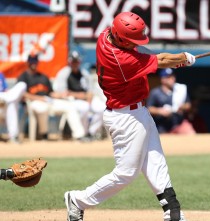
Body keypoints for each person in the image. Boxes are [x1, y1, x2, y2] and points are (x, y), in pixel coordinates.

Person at [64, 12, 196, 221]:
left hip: (137, 111)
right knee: (126, 173)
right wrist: (182, 59)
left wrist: (176, 60)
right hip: (125, 117)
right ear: (122, 39)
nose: (136, 43)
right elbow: (160, 60)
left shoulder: (106, 35)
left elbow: (148, 53)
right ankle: (77, 200)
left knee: (155, 159)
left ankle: (173, 211)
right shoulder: (121, 60)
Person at [17, 54, 87, 141]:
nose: (33, 64)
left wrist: (60, 95)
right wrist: (39, 98)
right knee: (42, 108)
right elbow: (22, 94)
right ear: (27, 63)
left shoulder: (43, 76)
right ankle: (43, 134)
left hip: (48, 100)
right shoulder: (23, 77)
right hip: (33, 102)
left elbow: (50, 92)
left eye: (35, 62)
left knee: (70, 106)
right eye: (31, 62)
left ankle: (79, 135)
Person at [53, 51, 106, 140]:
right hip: (72, 100)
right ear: (69, 62)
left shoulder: (84, 73)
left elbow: (90, 91)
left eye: (76, 61)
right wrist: (79, 95)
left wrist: (86, 97)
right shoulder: (64, 73)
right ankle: (83, 133)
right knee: (84, 108)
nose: (75, 63)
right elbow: (64, 93)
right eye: (73, 61)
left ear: (79, 62)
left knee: (102, 108)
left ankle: (91, 132)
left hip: (86, 98)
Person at [147, 68, 196, 134]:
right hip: (161, 125)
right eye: (168, 77)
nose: (172, 79)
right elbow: (149, 109)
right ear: (162, 79)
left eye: (172, 76)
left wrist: (182, 107)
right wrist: (160, 111)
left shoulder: (179, 90)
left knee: (190, 133)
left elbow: (188, 105)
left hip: (179, 123)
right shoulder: (156, 92)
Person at [0, 72, 27, 143]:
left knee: (22, 84)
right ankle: (13, 136)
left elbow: (5, 89)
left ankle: (13, 136)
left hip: (4, 101)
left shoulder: (1, 74)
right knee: (11, 102)